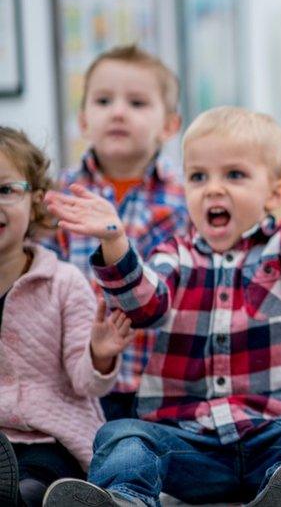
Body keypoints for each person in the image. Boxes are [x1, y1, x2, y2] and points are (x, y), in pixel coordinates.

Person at [42, 85, 281, 507]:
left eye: (234, 175)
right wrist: (115, 239)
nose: (212, 189)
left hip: (277, 437)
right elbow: (143, 303)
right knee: (120, 433)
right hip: (190, 446)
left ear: (272, 194)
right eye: (198, 176)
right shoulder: (172, 256)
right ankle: (124, 499)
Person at [42, 44, 188, 422]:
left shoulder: (186, 199)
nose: (119, 112)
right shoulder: (61, 196)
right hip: (77, 376)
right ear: (84, 120)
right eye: (104, 100)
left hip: (162, 380)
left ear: (170, 125)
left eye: (137, 103)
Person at [0, 127, 132, 506]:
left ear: (36, 201)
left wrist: (99, 353)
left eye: (5, 190)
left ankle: (25, 497)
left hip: (51, 434)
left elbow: (86, 382)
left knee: (41, 476)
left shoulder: (63, 282)